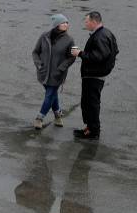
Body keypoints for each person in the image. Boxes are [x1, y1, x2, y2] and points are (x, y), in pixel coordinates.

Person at [71, 11, 119, 141]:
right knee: (88, 102)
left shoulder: (100, 36)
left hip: (94, 76)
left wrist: (80, 53)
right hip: (97, 74)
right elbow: (115, 51)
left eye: (86, 22)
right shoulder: (106, 33)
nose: (85, 24)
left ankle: (93, 132)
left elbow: (98, 57)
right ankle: (90, 127)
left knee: (91, 103)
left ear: (94, 22)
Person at [31, 14, 75, 130]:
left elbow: (72, 57)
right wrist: (39, 65)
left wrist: (61, 68)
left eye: (67, 22)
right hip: (43, 73)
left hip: (57, 74)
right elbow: (35, 52)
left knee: (49, 94)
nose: (66, 24)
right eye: (63, 22)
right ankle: (58, 115)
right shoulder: (44, 36)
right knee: (52, 95)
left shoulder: (69, 40)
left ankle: (39, 118)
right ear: (56, 25)